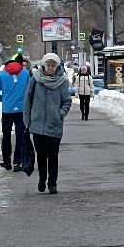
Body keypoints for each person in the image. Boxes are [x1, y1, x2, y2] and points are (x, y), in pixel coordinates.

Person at [23, 52, 73, 193]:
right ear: (44, 65)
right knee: (41, 154)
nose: (50, 68)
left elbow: (67, 101)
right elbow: (28, 98)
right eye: (48, 65)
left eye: (53, 65)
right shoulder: (35, 79)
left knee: (53, 155)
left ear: (57, 66)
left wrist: (60, 114)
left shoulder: (63, 81)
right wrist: (26, 118)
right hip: (37, 124)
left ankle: (52, 184)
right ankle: (42, 179)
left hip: (54, 125)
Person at [0, 51, 30, 170]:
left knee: (6, 135)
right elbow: (29, 90)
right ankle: (18, 163)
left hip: (7, 110)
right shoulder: (25, 73)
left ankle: (7, 161)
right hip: (21, 110)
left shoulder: (1, 74)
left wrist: (4, 100)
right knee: (20, 136)